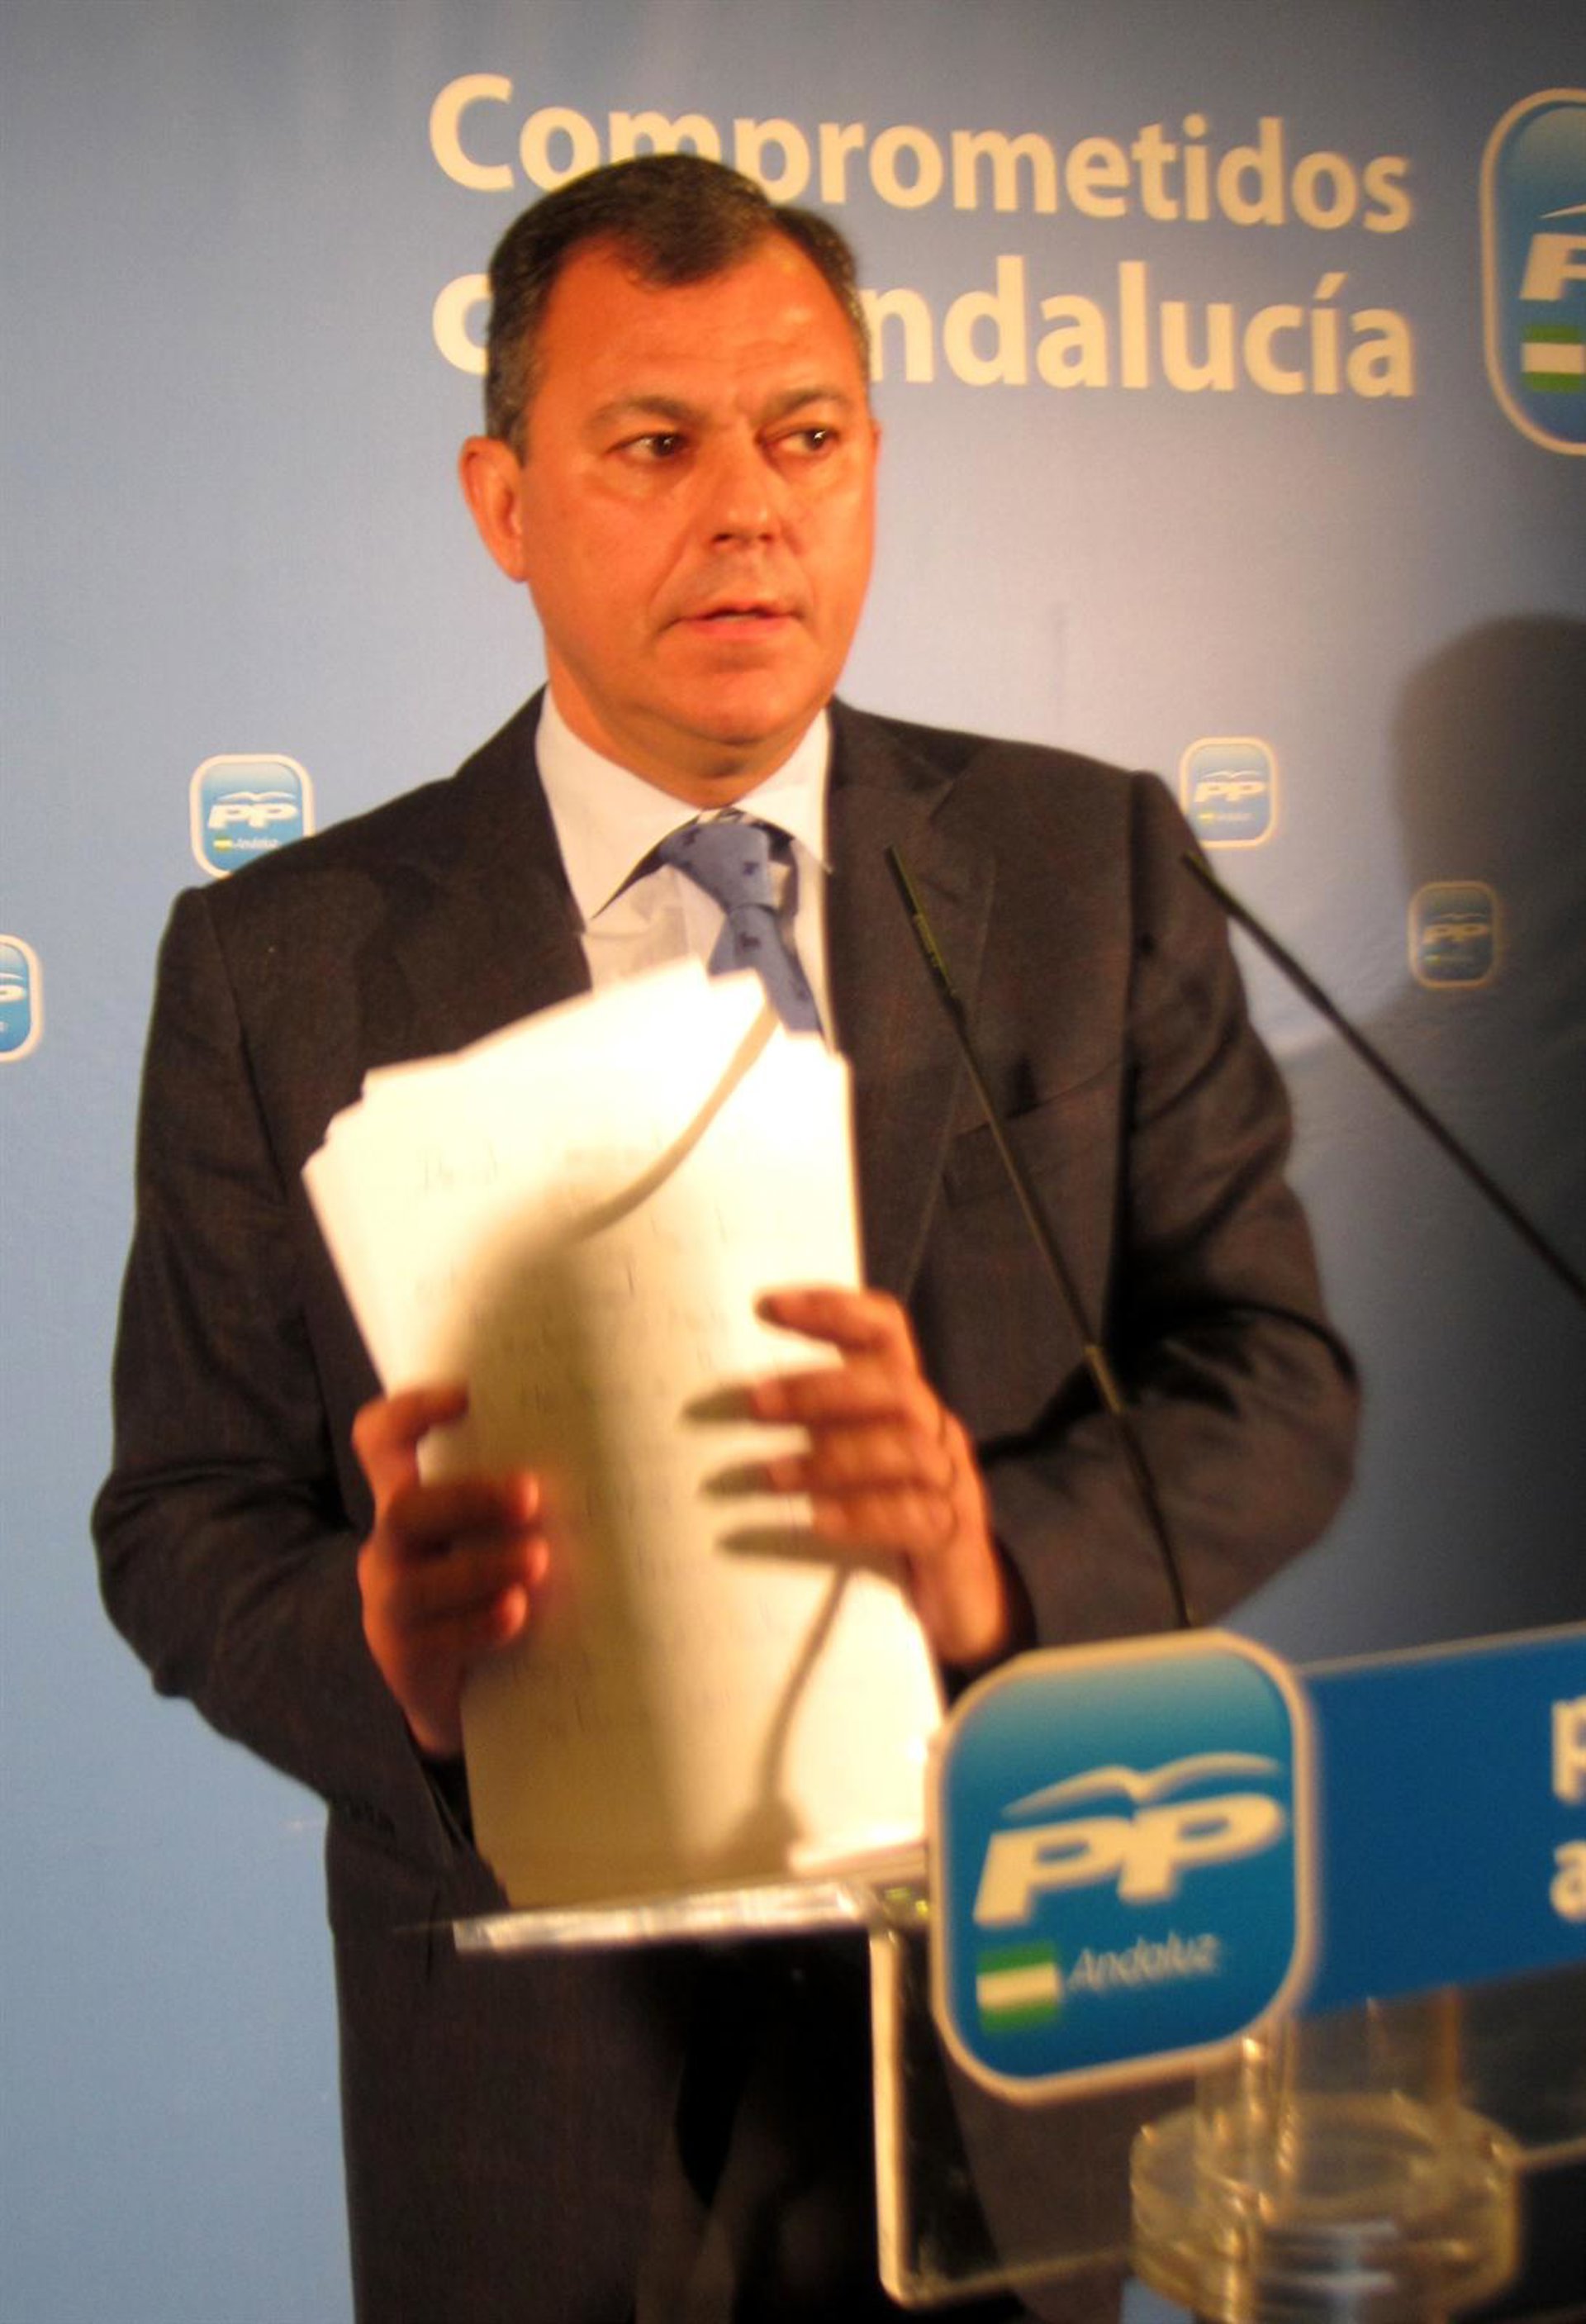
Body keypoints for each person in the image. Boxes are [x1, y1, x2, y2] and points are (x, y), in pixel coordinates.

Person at [94, 154, 1357, 2322]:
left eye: (807, 436)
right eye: (657, 445)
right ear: (505, 504)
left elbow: (1273, 1383)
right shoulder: (275, 963)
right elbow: (183, 1512)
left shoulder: (1090, 864)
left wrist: (992, 1559)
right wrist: (384, 1655)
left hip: (1012, 2028)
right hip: (532, 2098)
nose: (751, 510)